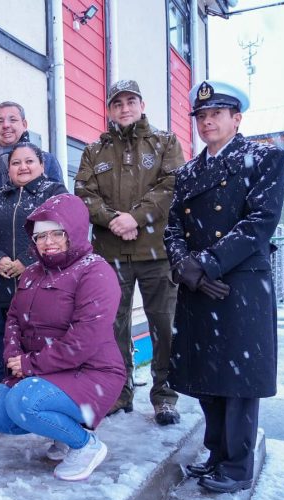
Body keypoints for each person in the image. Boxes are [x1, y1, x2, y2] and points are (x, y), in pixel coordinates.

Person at [165, 80, 284, 494]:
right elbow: (172, 228)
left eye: (216, 113)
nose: (207, 121)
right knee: (206, 373)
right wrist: (184, 267)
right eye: (201, 115)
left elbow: (258, 223)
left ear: (237, 118)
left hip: (239, 284)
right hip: (197, 285)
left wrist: (207, 264)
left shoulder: (264, 158)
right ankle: (216, 454)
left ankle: (236, 466)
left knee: (238, 379)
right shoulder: (187, 172)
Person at [0, 194, 124, 481]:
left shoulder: (95, 271)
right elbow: (13, 319)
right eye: (40, 236)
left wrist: (31, 364)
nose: (47, 242)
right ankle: (64, 432)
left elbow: (83, 340)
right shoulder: (32, 273)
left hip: (92, 371)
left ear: (73, 230)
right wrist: (12, 355)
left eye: (56, 233)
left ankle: (86, 446)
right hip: (48, 369)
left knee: (25, 402)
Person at [75, 80, 186, 425]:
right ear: (109, 109)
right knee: (111, 327)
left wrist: (136, 218)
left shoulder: (166, 142)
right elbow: (84, 194)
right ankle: (118, 391)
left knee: (164, 327)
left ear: (141, 104)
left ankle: (165, 396)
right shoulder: (95, 150)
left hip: (156, 253)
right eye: (117, 103)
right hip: (110, 255)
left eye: (130, 101)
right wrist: (113, 220)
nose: (124, 108)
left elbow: (170, 186)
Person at [0, 143, 68, 384]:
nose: (23, 167)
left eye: (29, 161)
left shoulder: (54, 192)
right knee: (4, 335)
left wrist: (28, 261)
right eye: (16, 163)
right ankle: (5, 386)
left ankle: (42, 388)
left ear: (42, 166)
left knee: (42, 336)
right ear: (8, 169)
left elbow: (64, 230)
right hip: (2, 282)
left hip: (43, 283)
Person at [0, 101, 64, 218]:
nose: (6, 125)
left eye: (12, 120)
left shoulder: (47, 161)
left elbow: (61, 206)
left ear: (24, 124)